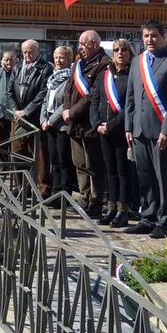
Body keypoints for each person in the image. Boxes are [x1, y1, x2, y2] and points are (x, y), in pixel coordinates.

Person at [125, 20, 167, 239]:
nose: (149, 40)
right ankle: (147, 217)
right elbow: (131, 97)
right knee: (145, 177)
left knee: (164, 178)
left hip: (161, 131)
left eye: (153, 36)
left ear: (162, 37)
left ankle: (164, 221)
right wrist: (128, 126)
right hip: (139, 130)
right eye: (146, 36)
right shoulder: (137, 62)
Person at [62, 30, 110, 217]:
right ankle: (84, 197)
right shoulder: (79, 63)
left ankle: (96, 200)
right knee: (79, 162)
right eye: (80, 43)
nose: (80, 46)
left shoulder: (104, 64)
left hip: (89, 121)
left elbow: (92, 95)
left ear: (94, 44)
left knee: (94, 163)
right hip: (74, 122)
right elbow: (69, 88)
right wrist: (66, 110)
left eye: (83, 43)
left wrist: (71, 112)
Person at [91, 38, 134, 228]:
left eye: (124, 50)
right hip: (103, 130)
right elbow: (95, 100)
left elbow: (129, 106)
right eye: (116, 50)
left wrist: (112, 125)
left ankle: (122, 210)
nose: (120, 53)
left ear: (130, 53)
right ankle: (111, 208)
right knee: (109, 171)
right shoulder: (104, 76)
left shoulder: (132, 75)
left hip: (120, 130)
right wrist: (96, 123)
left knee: (122, 171)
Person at [9, 40, 53, 198]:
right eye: (25, 52)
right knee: (18, 152)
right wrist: (16, 110)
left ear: (37, 51)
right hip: (18, 117)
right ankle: (22, 187)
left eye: (30, 52)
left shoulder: (45, 68)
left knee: (40, 155)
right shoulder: (18, 67)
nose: (27, 55)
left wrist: (27, 111)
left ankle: (43, 189)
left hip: (35, 117)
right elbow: (10, 91)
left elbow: (43, 93)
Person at [40, 46, 76, 198]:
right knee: (53, 160)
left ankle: (64, 194)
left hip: (61, 125)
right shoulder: (52, 78)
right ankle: (55, 192)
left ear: (68, 60)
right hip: (48, 124)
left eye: (62, 58)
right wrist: (43, 119)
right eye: (56, 57)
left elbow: (65, 104)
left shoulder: (70, 78)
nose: (58, 60)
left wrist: (51, 121)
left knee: (63, 161)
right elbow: (45, 100)